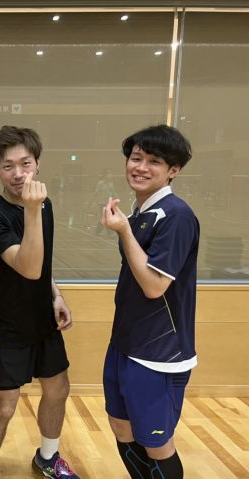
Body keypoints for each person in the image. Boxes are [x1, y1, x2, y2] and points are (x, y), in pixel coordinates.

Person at [0, 125, 80, 479]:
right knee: (5, 406)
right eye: (8, 166)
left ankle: (48, 457)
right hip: (6, 327)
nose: (18, 173)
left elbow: (43, 264)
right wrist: (33, 210)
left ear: (37, 164)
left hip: (43, 322)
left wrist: (56, 295)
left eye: (25, 164)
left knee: (58, 389)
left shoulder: (42, 203)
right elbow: (28, 266)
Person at [101, 125, 199, 479]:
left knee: (156, 443)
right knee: (121, 428)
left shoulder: (176, 215)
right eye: (136, 158)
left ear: (174, 170)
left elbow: (155, 286)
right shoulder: (141, 212)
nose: (140, 167)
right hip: (125, 343)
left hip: (159, 354)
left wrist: (124, 231)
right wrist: (127, 226)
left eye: (154, 161)